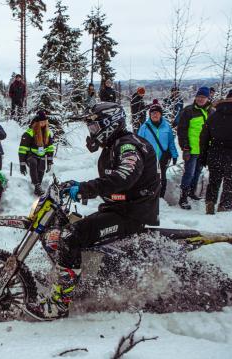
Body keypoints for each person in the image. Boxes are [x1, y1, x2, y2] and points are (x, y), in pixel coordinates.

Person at [25, 103, 160, 321]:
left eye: (95, 127)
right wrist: (76, 185)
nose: (92, 132)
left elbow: (124, 176)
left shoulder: (128, 147)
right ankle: (68, 275)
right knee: (69, 228)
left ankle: (59, 304)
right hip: (119, 209)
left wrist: (85, 188)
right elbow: (111, 181)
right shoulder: (114, 145)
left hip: (131, 214)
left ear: (109, 124)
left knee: (70, 237)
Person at [177, 86, 214, 209]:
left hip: (204, 150)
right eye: (199, 97)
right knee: (189, 173)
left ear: (208, 98)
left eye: (203, 97)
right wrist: (185, 148)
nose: (200, 99)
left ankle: (192, 193)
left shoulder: (211, 111)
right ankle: (183, 198)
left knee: (197, 172)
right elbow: (182, 131)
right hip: (191, 149)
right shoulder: (189, 111)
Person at [138, 99, 179, 198]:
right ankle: (149, 196)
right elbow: (138, 143)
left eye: (157, 113)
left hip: (162, 157)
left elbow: (170, 142)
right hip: (148, 158)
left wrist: (174, 154)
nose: (155, 115)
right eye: (152, 113)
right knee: (148, 177)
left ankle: (161, 197)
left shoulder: (166, 127)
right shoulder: (144, 127)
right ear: (150, 115)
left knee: (162, 177)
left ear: (161, 114)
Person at [200, 90, 232, 214]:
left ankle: (210, 203)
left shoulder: (213, 115)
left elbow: (204, 137)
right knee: (230, 182)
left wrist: (203, 155)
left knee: (214, 180)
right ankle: (224, 206)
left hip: (215, 153)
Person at [18, 111, 55, 196]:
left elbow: (50, 148)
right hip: (30, 155)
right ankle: (37, 185)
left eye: (44, 122)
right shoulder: (29, 132)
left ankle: (38, 185)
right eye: (41, 122)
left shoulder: (48, 133)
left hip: (41, 156)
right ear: (37, 122)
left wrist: (49, 161)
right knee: (33, 163)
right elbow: (22, 149)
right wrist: (22, 164)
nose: (43, 124)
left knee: (41, 170)